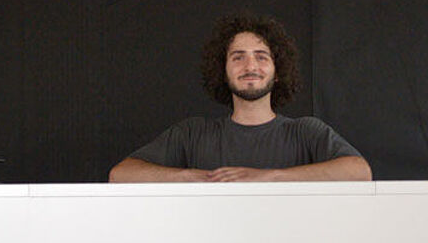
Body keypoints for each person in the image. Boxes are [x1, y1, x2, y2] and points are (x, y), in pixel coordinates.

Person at [109, 14, 372, 182]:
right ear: (222, 72)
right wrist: (189, 177)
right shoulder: (192, 134)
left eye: (261, 56)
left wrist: (269, 177)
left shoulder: (305, 132)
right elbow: (120, 174)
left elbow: (360, 171)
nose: (250, 66)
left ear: (278, 72)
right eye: (238, 57)